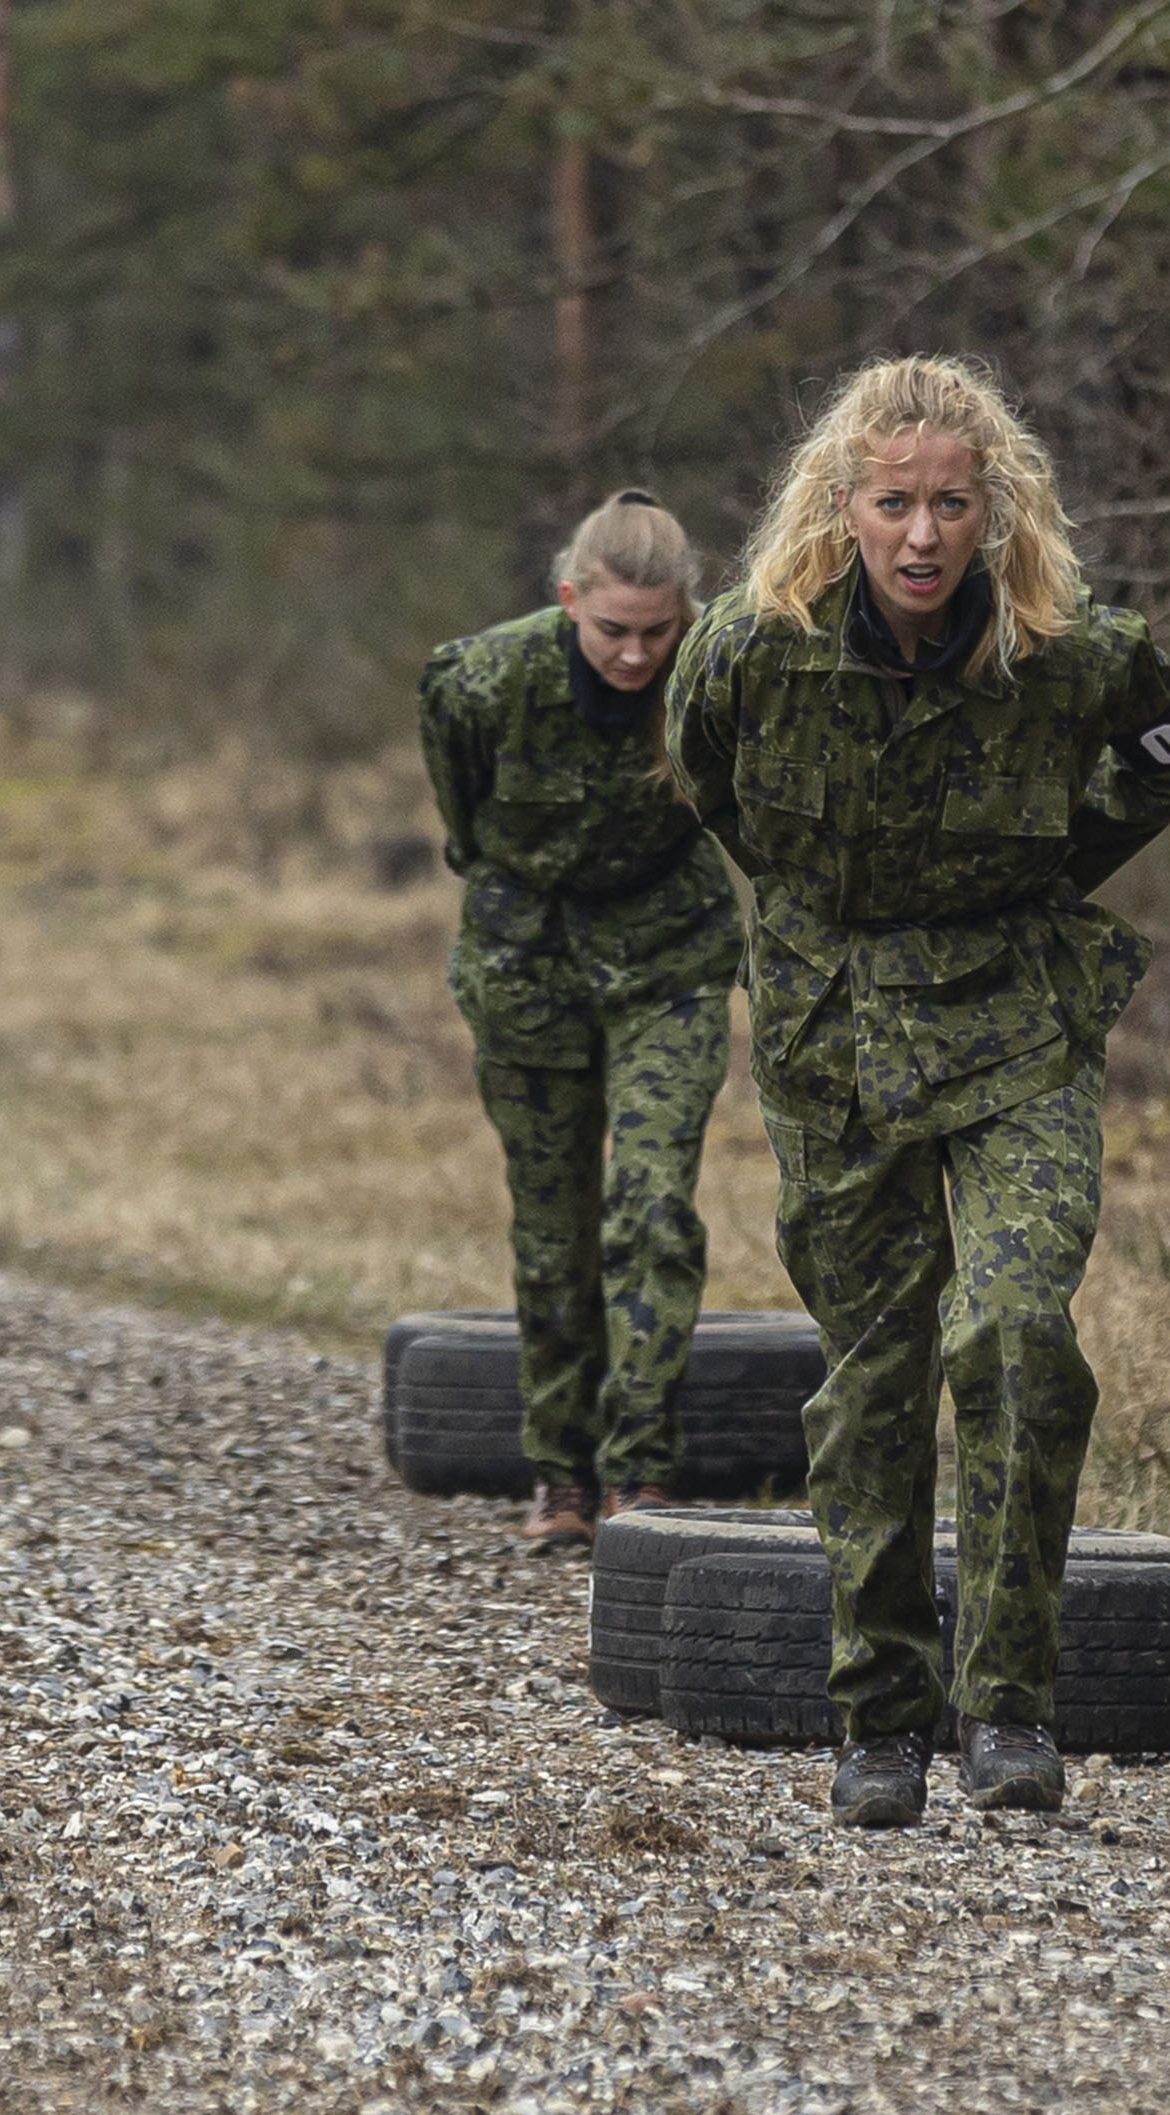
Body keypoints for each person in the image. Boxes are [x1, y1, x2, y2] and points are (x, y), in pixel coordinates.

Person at [666, 356, 1170, 1827]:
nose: (923, 535)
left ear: (998, 513)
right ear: (841, 509)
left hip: (1011, 1030)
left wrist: (1050, 868)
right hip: (833, 1039)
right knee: (876, 1377)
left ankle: (1011, 1707)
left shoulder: (1079, 654)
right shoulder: (748, 651)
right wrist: (809, 912)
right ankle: (879, 1719)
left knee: (1021, 1333)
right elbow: (702, 778)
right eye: (895, 502)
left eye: (952, 505)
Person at [417, 490, 740, 1553]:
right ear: (569, 602)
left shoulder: (713, 672)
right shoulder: (484, 680)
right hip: (531, 961)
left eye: (658, 631)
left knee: (650, 1209)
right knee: (555, 1229)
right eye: (613, 632)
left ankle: (640, 1468)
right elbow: (462, 819)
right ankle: (560, 1473)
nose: (636, 656)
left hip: (669, 957)